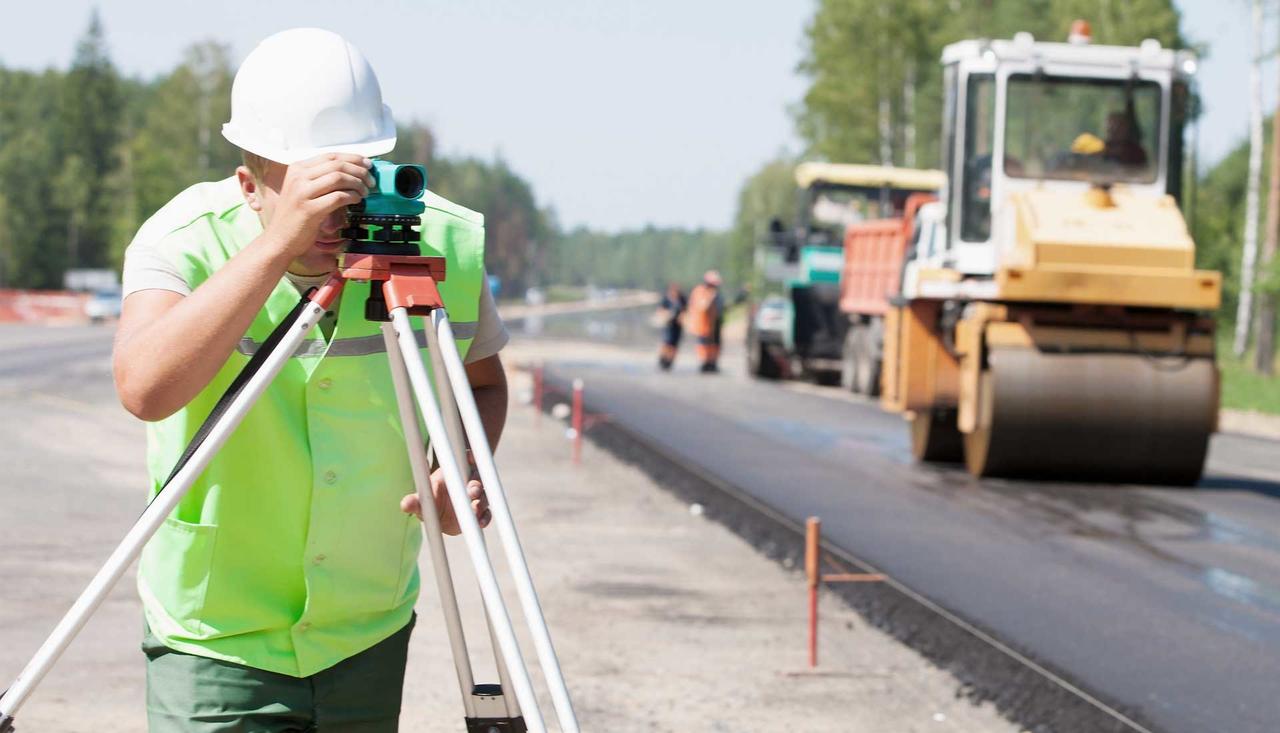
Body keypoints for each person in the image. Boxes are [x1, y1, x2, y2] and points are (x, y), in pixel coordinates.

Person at [113, 28, 507, 731]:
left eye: (349, 178)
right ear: (249, 185)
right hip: (218, 633)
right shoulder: (183, 240)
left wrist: (460, 464)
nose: (335, 213)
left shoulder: (435, 242)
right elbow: (144, 388)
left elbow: (481, 383)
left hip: (365, 623)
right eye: (307, 184)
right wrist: (278, 245)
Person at [685, 270, 724, 373]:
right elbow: (702, 307)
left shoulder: (714, 293)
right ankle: (705, 363)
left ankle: (712, 363)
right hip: (703, 324)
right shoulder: (700, 291)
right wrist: (710, 298)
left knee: (714, 344)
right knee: (704, 345)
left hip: (712, 324)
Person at [656, 283, 686, 370]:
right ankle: (663, 359)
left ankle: (670, 361)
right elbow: (660, 310)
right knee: (666, 342)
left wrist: (682, 317)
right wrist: (666, 315)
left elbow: (685, 310)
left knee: (674, 344)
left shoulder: (682, 299)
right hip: (668, 325)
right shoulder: (666, 299)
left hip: (678, 325)